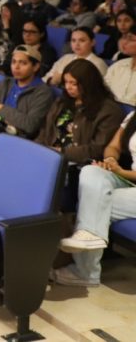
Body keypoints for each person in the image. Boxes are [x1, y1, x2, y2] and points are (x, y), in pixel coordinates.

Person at [53, 112, 136, 288]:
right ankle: (88, 237)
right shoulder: (133, 116)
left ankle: (85, 272)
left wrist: (121, 172)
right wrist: (110, 160)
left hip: (129, 176)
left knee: (96, 200)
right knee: (91, 172)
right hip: (129, 180)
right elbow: (113, 146)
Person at [37, 59, 124, 164]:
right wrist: (36, 148)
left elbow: (97, 149)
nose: (68, 87)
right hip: (48, 154)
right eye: (66, 82)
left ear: (88, 84)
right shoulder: (62, 101)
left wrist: (59, 152)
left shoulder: (109, 111)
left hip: (76, 162)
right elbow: (45, 130)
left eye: (73, 83)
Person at [0, 45, 56, 139]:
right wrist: (5, 120)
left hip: (18, 139)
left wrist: (2, 109)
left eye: (23, 63)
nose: (16, 67)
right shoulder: (5, 83)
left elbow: (30, 125)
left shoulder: (43, 92)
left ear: (36, 67)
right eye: (13, 62)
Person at [104, 32, 136, 106]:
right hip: (111, 108)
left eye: (131, 39)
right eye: (124, 38)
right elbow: (104, 90)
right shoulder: (118, 66)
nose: (124, 42)